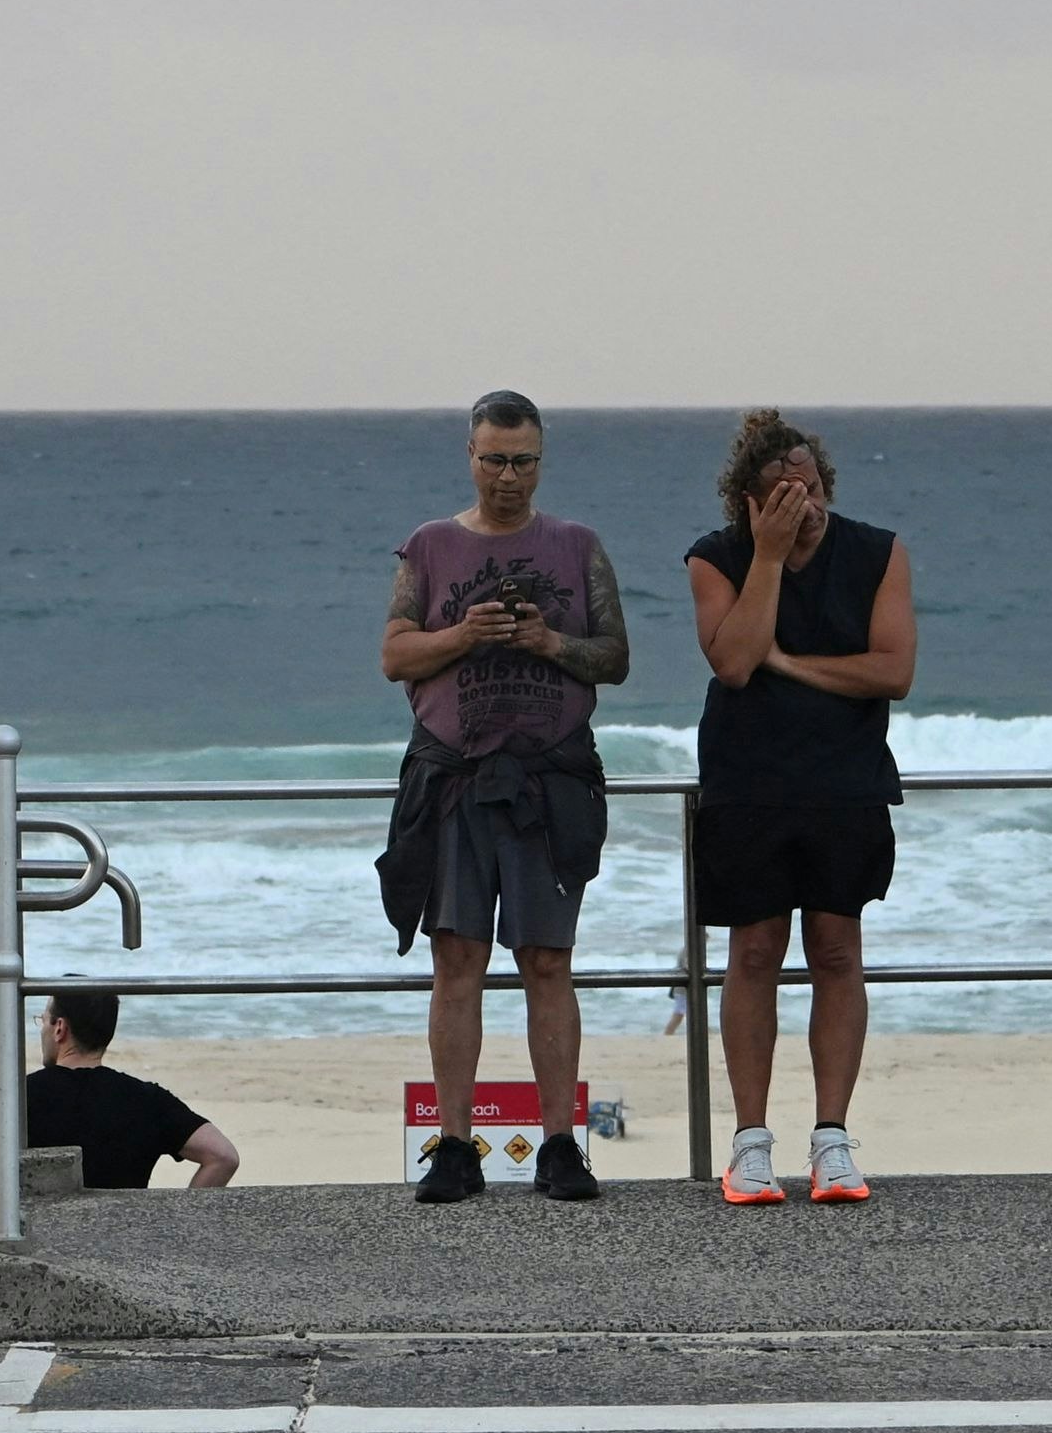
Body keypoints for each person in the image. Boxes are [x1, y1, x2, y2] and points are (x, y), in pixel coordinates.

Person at [374, 390, 629, 1204]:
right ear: (471, 456)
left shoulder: (579, 545)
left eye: (523, 461)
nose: (508, 475)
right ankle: (455, 1144)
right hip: (453, 776)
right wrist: (466, 635)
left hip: (549, 778)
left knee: (549, 962)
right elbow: (395, 654)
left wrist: (548, 641)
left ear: (540, 461)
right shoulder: (429, 546)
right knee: (457, 960)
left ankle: (560, 1143)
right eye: (494, 459)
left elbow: (615, 657)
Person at [686, 408, 916, 1207]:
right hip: (748, 780)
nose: (803, 505)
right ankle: (750, 1143)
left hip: (844, 780)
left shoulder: (878, 552)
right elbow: (739, 662)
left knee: (836, 950)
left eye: (811, 488)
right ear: (750, 503)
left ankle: (832, 1140)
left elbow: (892, 672)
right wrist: (771, 559)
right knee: (752, 953)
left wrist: (796, 661)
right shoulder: (717, 559)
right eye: (783, 495)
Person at [0, 990, 237, 1189]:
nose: (43, 1030)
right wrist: (180, 1222)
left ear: (60, 1028)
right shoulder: (148, 1100)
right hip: (122, 1252)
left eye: (44, 1020)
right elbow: (222, 1157)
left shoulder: (16, 1097)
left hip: (36, 1246)